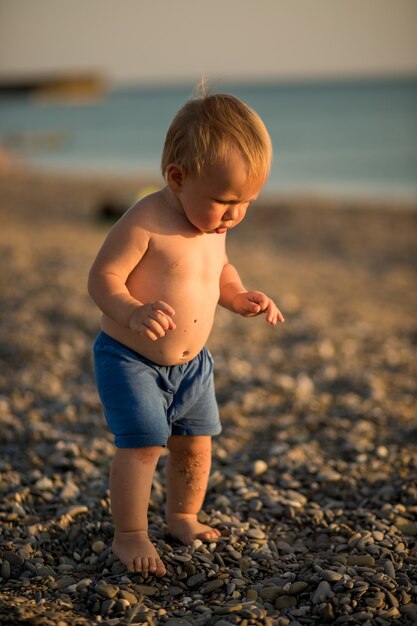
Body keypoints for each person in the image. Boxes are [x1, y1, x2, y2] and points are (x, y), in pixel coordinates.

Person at [88, 86, 285, 578]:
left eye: (247, 202)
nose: (235, 215)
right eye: (224, 200)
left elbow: (219, 271)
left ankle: (182, 517)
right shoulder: (145, 222)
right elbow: (102, 278)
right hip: (132, 360)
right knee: (144, 444)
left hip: (194, 367)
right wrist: (132, 311)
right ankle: (130, 534)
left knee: (196, 444)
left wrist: (239, 296)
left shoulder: (215, 228)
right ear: (178, 177)